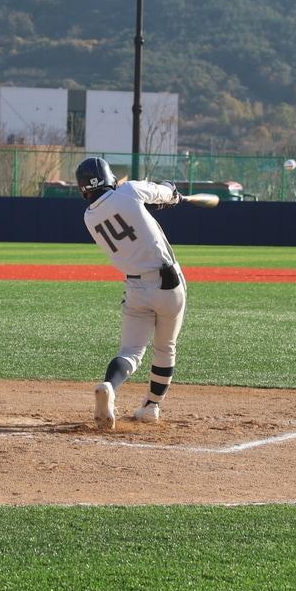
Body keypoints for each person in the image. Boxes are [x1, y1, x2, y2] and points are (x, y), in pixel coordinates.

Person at [77, 156, 186, 429]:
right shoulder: (129, 191)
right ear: (108, 178)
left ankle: (110, 387)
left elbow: (128, 211)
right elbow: (164, 191)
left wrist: (159, 201)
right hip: (167, 284)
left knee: (130, 352)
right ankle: (151, 407)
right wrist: (172, 195)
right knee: (165, 348)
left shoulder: (89, 217)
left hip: (135, 288)